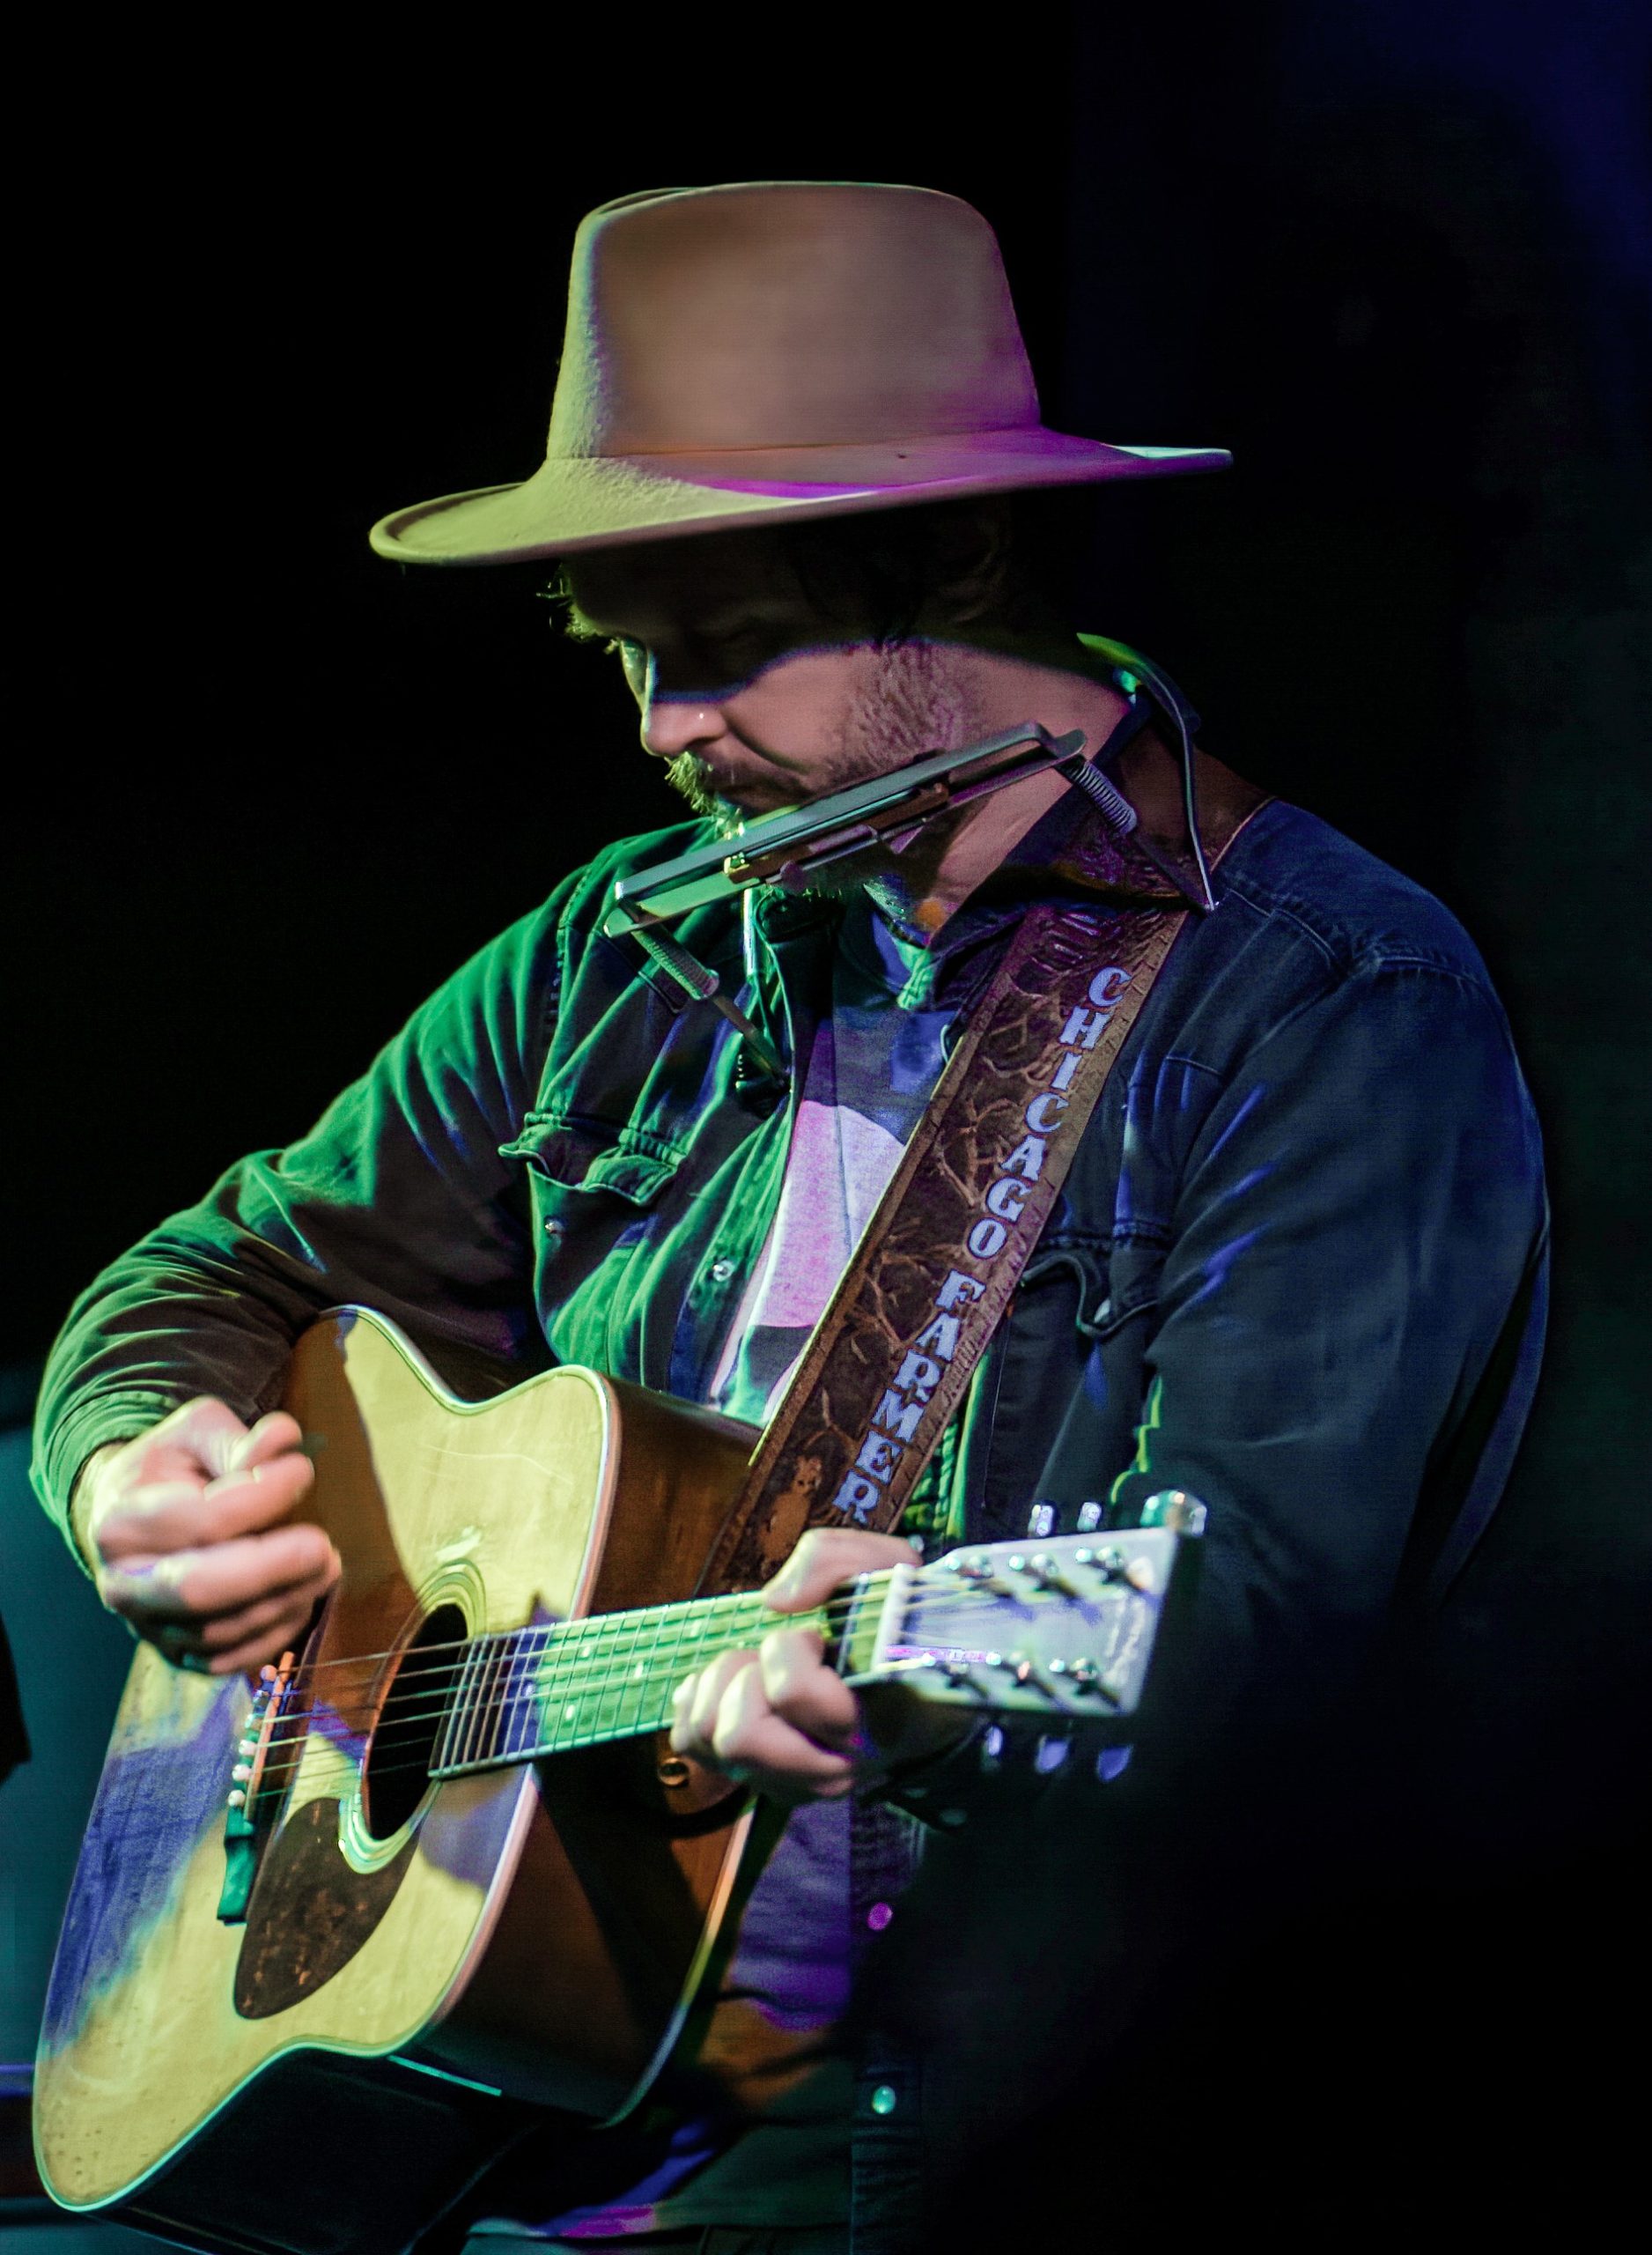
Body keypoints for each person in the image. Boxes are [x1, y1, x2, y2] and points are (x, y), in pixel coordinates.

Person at [32, 184, 1546, 2253]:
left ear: (950, 561)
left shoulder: (1319, 995)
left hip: (968, 2118)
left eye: (725, 646)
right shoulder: (618, 951)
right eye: (624, 657)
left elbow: (1255, 1614)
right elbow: (220, 1271)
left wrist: (910, 1665)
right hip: (537, 2097)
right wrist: (130, 1463)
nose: (661, 731)